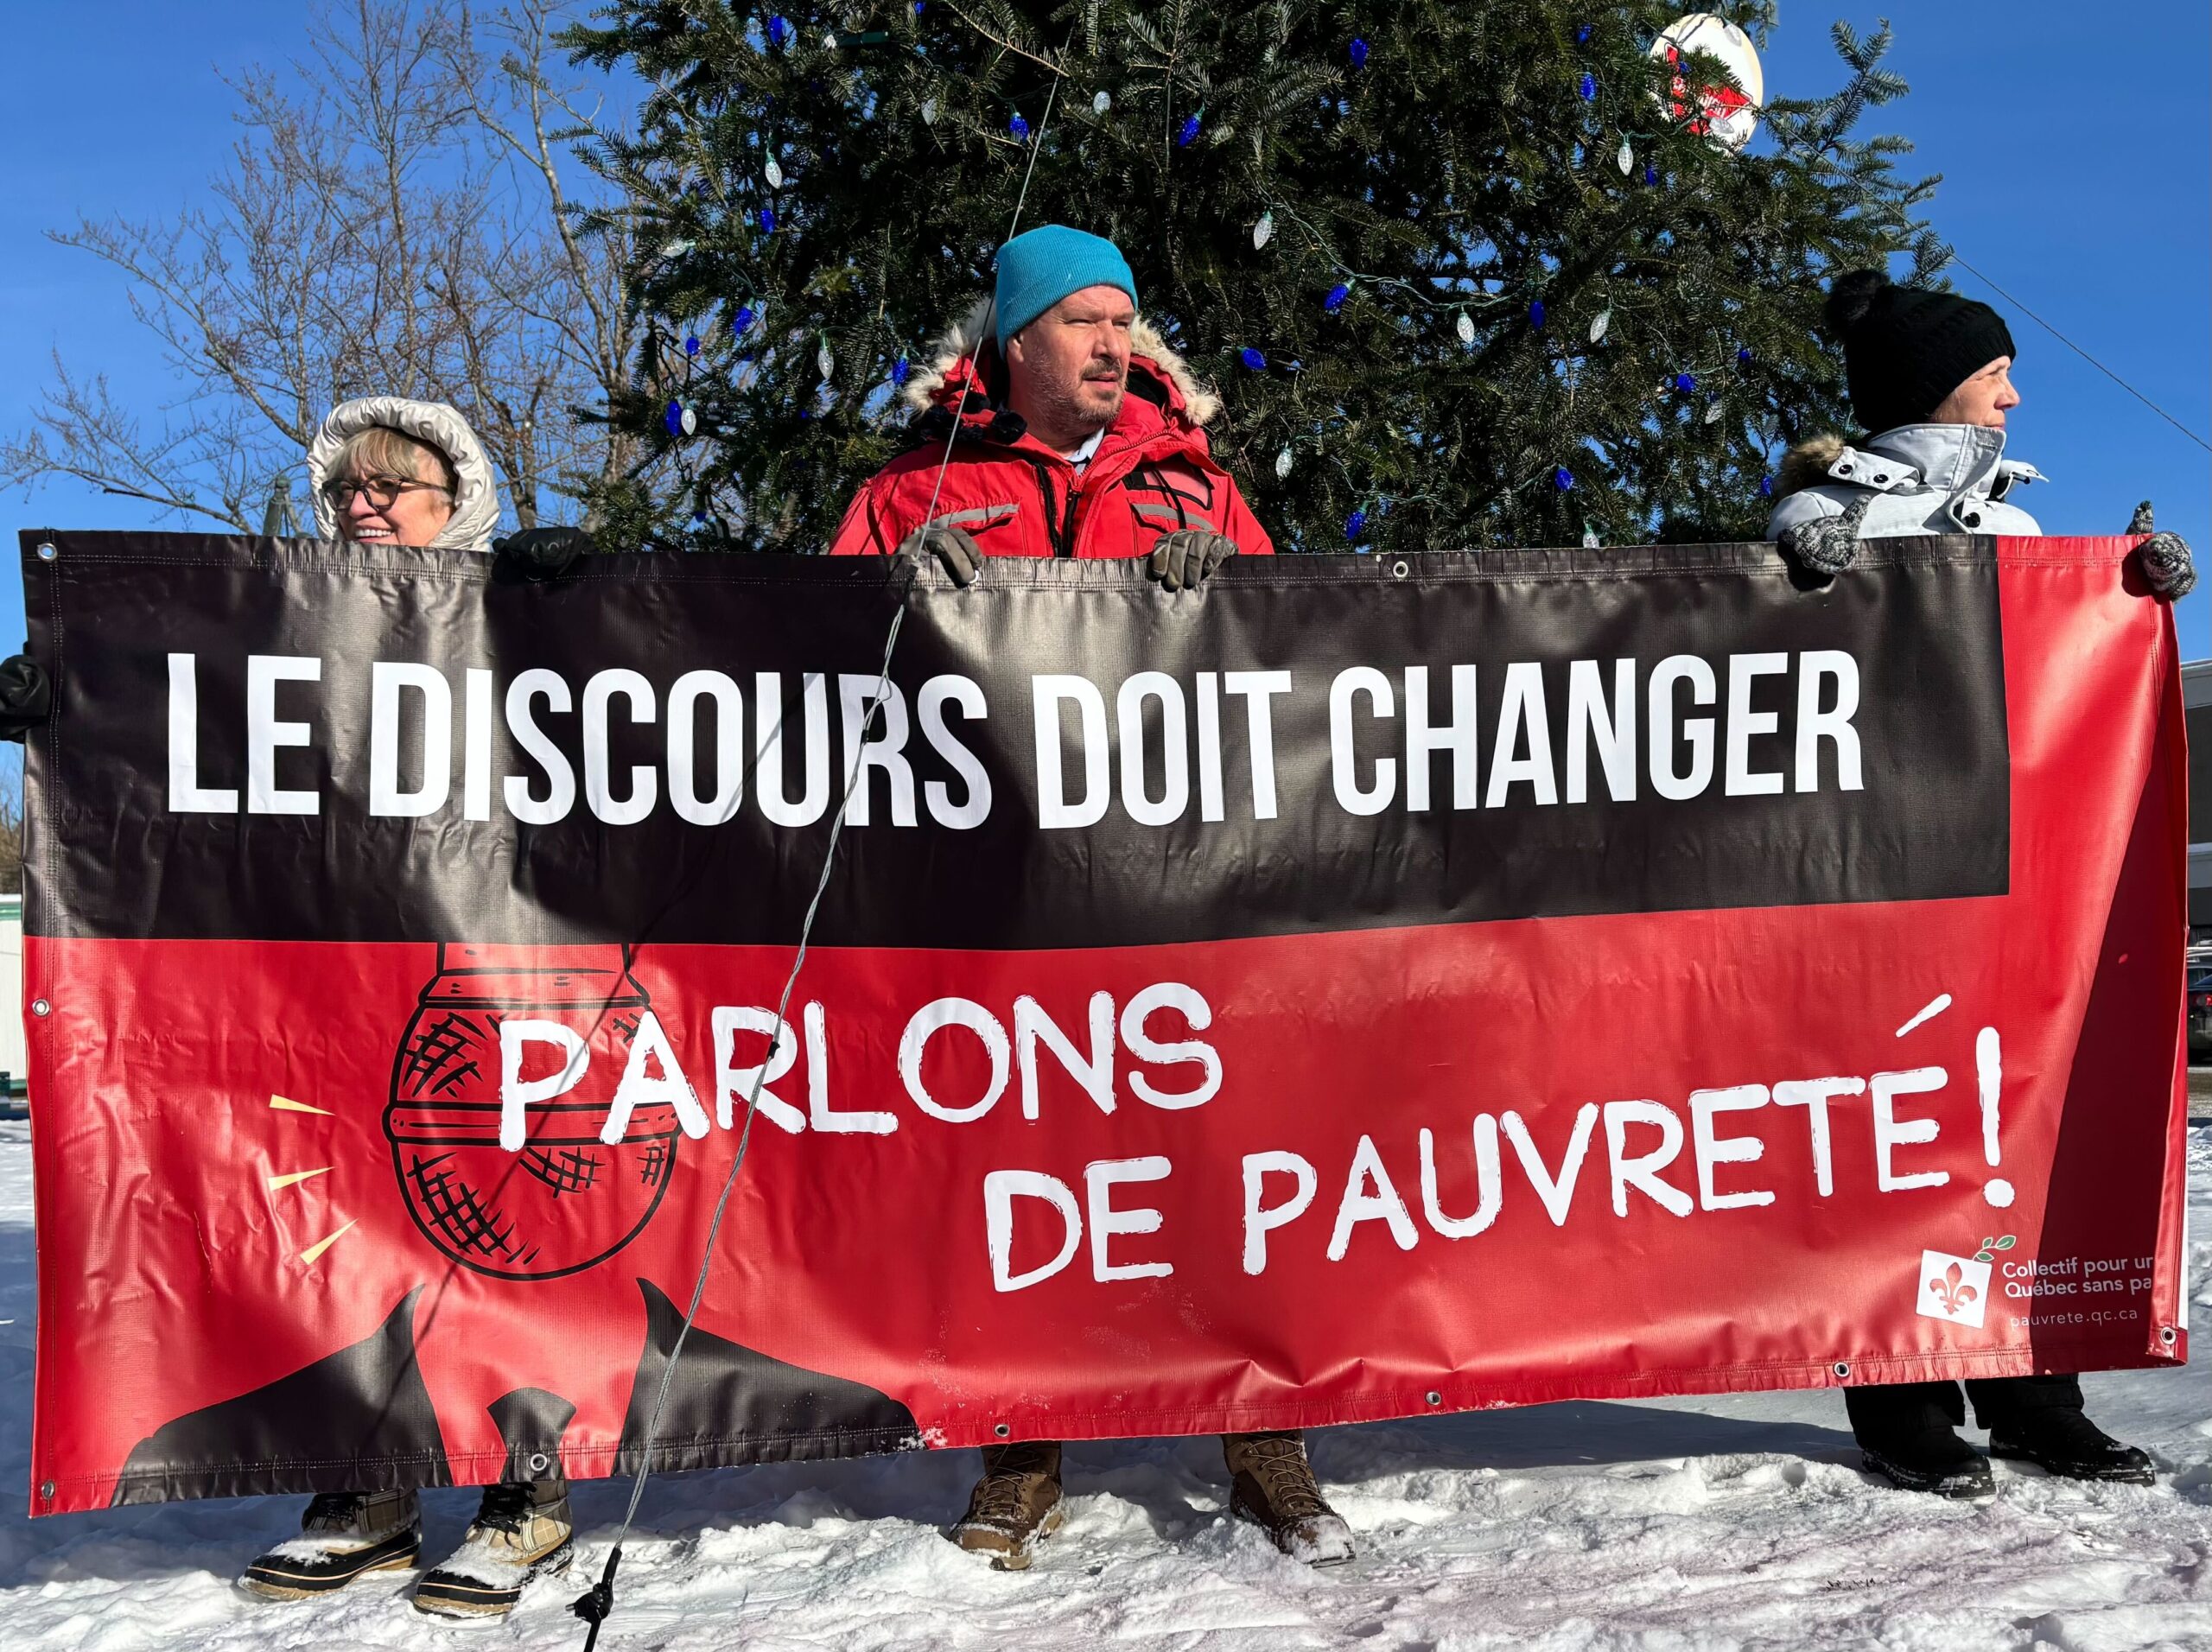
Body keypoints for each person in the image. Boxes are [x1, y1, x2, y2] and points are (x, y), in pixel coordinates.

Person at [831, 226, 1352, 1572]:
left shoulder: (1196, 485)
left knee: (1228, 1158)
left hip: (1185, 891)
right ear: (1016, 343)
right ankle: (1021, 1450)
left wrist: (1234, 587)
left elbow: (1296, 661)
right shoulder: (914, 488)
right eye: (1082, 320)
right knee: (1016, 1170)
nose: (1113, 344)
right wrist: (887, 591)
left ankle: (1267, 1442)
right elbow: (817, 671)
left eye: (1124, 320)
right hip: (1003, 909)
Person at [1768, 270, 2189, 1499]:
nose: (2013, 398)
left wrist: (2132, 592)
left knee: (2013, 1135)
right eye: (1996, 375)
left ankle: (2034, 1395)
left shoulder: (2014, 527)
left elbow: (2067, 680)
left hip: (2011, 880)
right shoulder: (1827, 512)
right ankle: (1901, 1403)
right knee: (1894, 1139)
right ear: (1938, 386)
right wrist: (1799, 566)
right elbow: (1762, 651)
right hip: (1878, 877)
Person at [237, 395, 590, 1617]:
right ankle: (372, 1489)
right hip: (346, 971)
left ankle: (526, 1490)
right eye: (349, 488)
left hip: (496, 971)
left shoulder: (519, 616)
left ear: (459, 502)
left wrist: (583, 601)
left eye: (392, 484)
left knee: (502, 1222)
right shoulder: (294, 622)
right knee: (355, 1220)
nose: (364, 503)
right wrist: (70, 707)